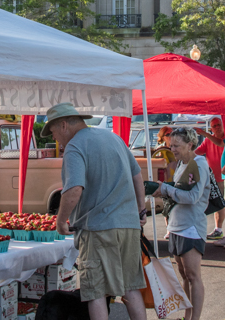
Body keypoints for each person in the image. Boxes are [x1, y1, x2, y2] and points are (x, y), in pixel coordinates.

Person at [47, 103, 147, 320]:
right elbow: (137, 175)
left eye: (53, 132)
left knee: (96, 292)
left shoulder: (75, 146)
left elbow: (74, 189)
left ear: (63, 125)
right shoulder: (113, 138)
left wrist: (61, 220)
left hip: (97, 229)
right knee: (131, 288)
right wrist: (141, 210)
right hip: (129, 225)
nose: (55, 138)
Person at [153, 127, 210, 320]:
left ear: (190, 145)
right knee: (184, 276)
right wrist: (164, 189)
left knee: (193, 276)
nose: (172, 149)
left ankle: (195, 318)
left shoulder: (198, 164)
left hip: (191, 227)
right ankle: (188, 315)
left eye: (177, 146)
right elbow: (179, 191)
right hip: (176, 226)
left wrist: (166, 190)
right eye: (171, 145)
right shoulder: (181, 164)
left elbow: (193, 197)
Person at [195, 118, 225, 240]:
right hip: (212, 178)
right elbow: (197, 152)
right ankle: (218, 229)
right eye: (214, 126)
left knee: (222, 205)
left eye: (219, 125)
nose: (217, 127)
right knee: (215, 204)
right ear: (211, 128)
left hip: (224, 177)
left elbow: (220, 142)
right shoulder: (208, 140)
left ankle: (220, 229)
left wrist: (204, 134)